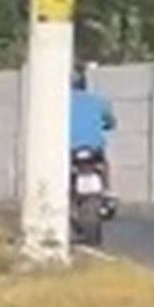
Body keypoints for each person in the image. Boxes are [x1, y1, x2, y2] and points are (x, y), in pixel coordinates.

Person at [68, 64, 117, 207]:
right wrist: (108, 125)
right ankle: (107, 188)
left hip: (69, 147)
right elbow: (111, 121)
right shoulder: (98, 100)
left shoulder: (60, 102)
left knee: (64, 170)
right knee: (103, 164)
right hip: (94, 146)